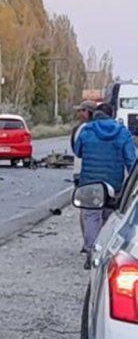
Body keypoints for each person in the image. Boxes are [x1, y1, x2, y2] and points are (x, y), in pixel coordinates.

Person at [75, 103, 137, 269]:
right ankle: (104, 254)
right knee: (109, 219)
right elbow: (131, 159)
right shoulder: (122, 132)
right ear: (112, 114)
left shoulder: (87, 130)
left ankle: (90, 251)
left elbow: (78, 151)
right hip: (113, 184)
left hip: (89, 183)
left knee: (91, 217)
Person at [71, 100, 97, 253]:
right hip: (103, 174)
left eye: (81, 111)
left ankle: (88, 243)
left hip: (82, 173)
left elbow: (77, 150)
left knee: (86, 209)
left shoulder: (82, 129)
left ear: (88, 112)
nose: (78, 114)